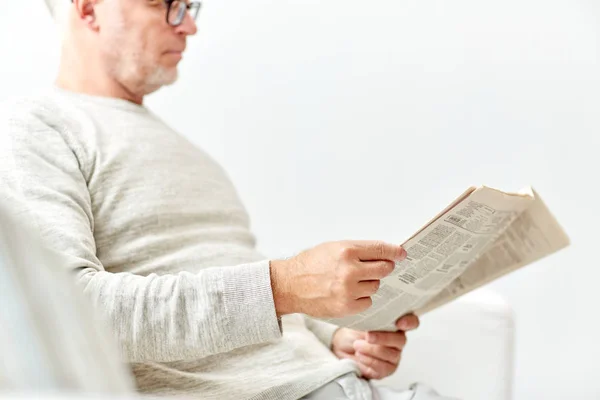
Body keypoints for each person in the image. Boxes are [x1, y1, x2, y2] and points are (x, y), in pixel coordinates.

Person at [0, 1, 458, 399]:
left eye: (189, 7)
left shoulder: (191, 155)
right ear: (88, 8)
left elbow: (227, 266)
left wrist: (336, 334)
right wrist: (284, 285)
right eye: (165, 4)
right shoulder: (40, 127)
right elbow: (75, 312)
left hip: (337, 381)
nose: (189, 26)